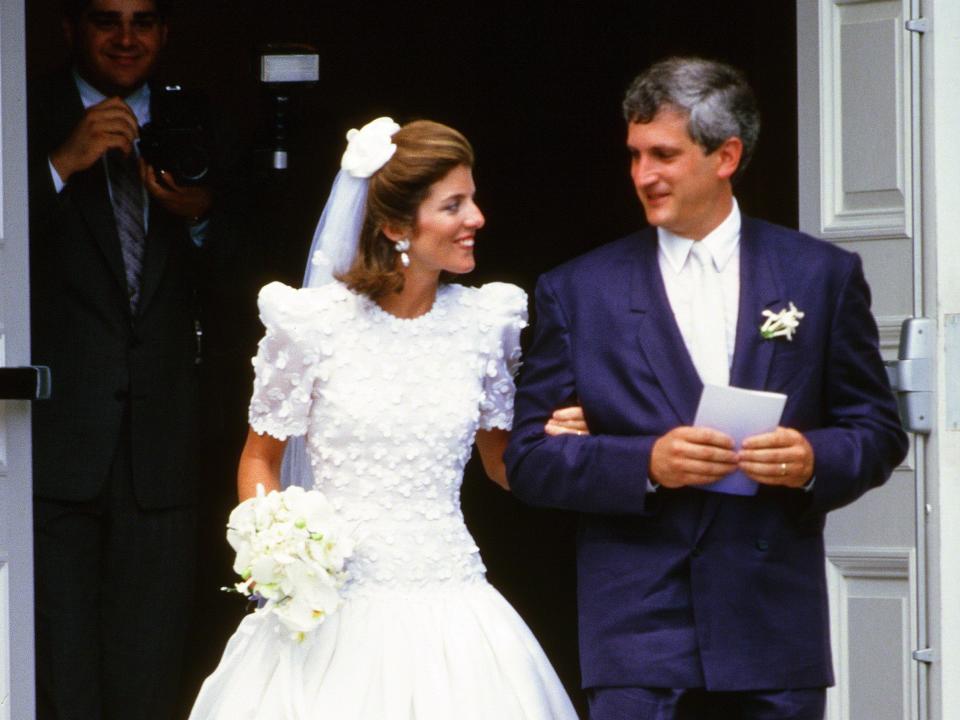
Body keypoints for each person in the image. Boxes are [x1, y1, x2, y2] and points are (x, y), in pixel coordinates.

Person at [505, 56, 909, 720]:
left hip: (773, 623)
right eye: (634, 155)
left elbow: (876, 429)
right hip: (638, 628)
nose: (643, 175)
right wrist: (645, 462)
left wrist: (812, 460)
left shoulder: (819, 275)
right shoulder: (578, 290)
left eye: (663, 154)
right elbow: (529, 460)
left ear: (726, 156)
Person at [188, 117, 582, 719]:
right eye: (454, 204)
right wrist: (278, 546)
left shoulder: (486, 324)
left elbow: (503, 462)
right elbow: (260, 458)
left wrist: (558, 444)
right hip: (332, 609)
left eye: (472, 199)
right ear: (397, 225)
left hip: (451, 598)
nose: (477, 217)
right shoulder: (311, 324)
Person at [28, 1, 216, 717]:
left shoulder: (199, 117)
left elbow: (256, 272)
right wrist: (56, 165)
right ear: (70, 27)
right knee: (58, 678)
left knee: (149, 679)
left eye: (144, 20)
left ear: (167, 31)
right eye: (107, 19)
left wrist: (200, 218)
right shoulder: (23, 110)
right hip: (52, 450)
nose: (127, 37)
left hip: (161, 453)